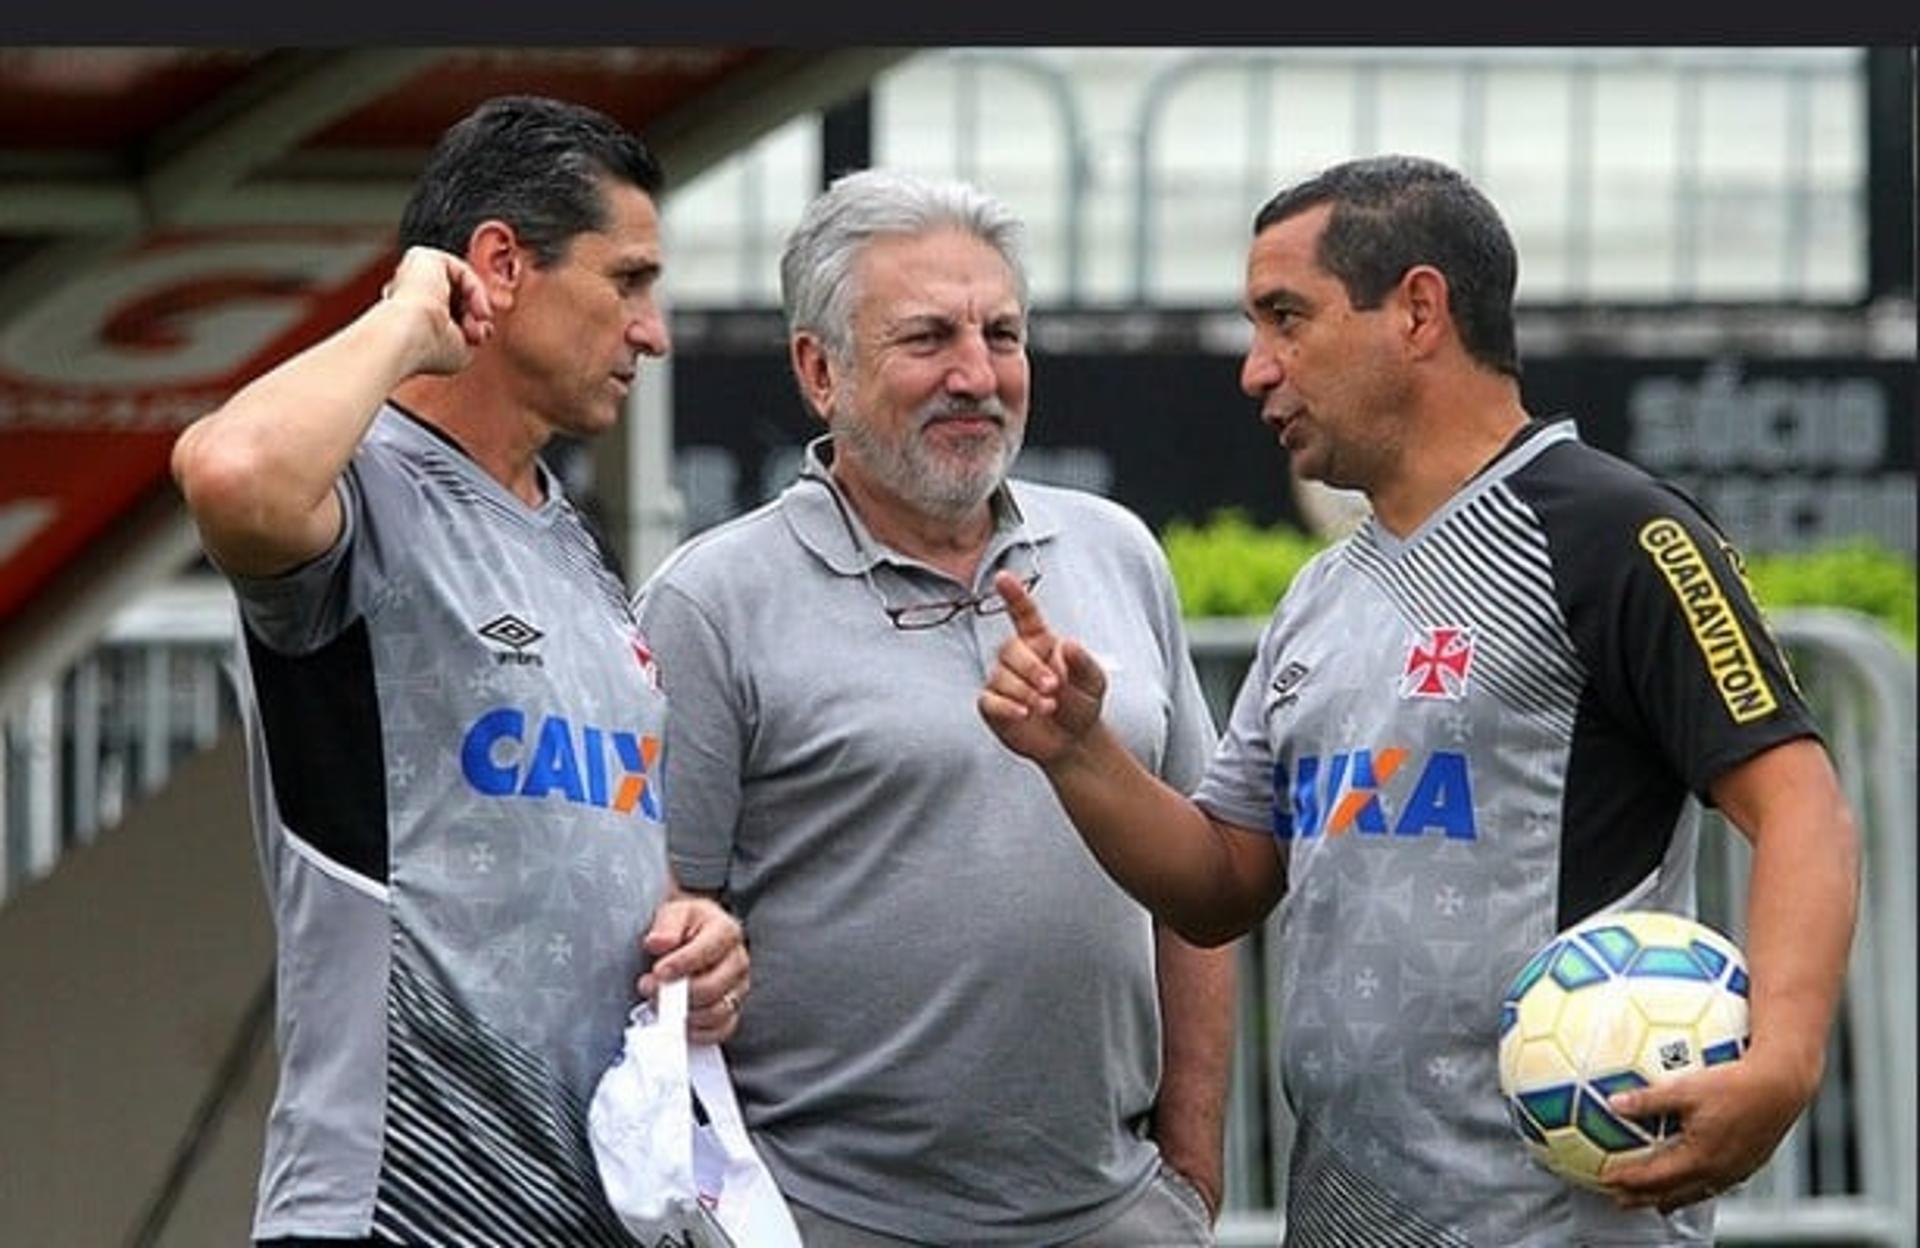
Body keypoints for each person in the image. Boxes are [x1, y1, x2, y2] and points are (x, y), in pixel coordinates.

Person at [978, 154, 1860, 1246]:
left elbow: (1803, 806)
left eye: (1285, 318)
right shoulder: (1320, 595)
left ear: (1418, 310)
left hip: (1554, 1225)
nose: (1257, 370)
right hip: (1345, 1219)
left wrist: (1781, 1059)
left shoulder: (1615, 534)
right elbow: (1220, 884)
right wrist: (1080, 753)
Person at [170, 95, 749, 1247]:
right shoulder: (369, 491)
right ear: (500, 264)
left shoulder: (574, 547)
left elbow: (586, 837)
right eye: (627, 281)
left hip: (592, 1218)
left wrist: (695, 935)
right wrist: (405, 318)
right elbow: (229, 472)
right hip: (389, 1212)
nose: (654, 329)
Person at [631, 168, 1238, 1246]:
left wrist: (1188, 1177)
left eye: (1001, 335)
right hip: (828, 1220)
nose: (976, 375)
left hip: (1118, 1214)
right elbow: (656, 930)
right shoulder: (710, 602)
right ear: (821, 370)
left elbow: (1202, 884)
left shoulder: (1116, 551)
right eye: (928, 339)